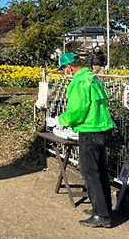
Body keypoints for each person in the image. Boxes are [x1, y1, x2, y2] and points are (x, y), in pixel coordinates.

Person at [57, 53, 115, 228]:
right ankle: (104, 208)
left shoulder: (79, 81)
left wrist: (61, 121)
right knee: (100, 170)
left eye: (64, 69)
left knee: (89, 171)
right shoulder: (93, 78)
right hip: (103, 127)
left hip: (90, 129)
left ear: (69, 67)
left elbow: (77, 110)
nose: (65, 73)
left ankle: (101, 215)